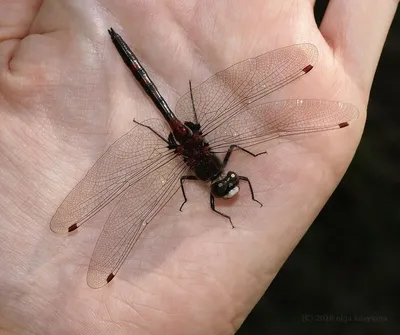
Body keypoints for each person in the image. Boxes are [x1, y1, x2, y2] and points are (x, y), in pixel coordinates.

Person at [0, 0, 397, 334]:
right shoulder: (202, 170)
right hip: (184, 137)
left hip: (183, 141)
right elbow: (233, 154)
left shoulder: (195, 172)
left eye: (224, 185)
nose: (228, 183)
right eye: (229, 183)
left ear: (218, 179)